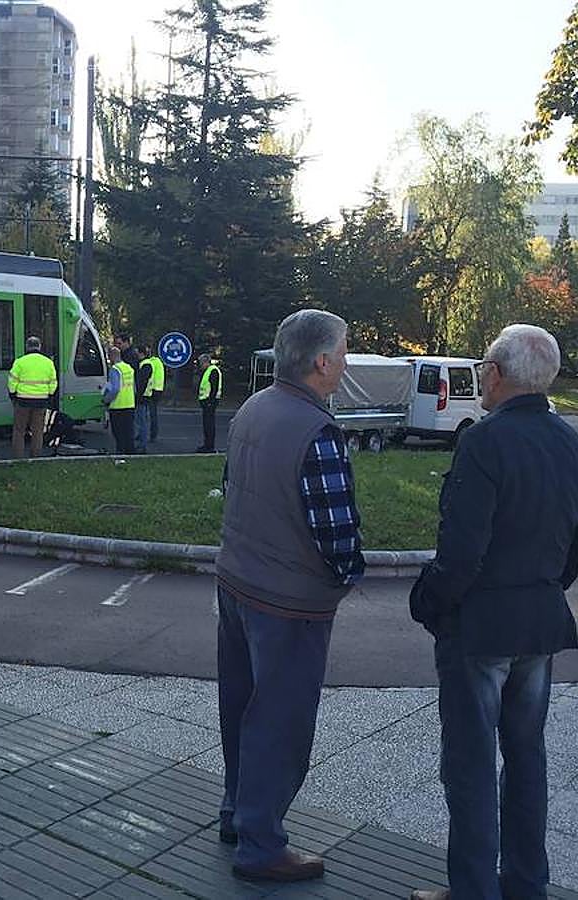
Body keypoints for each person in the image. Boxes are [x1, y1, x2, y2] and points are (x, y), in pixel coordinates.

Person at [407, 325, 578, 900]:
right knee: (526, 760)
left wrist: (429, 602)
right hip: (540, 623)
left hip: (481, 628)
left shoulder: (485, 441)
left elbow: (461, 551)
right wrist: (549, 581)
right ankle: (524, 885)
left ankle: (472, 889)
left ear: (496, 372)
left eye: (482, 366)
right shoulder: (570, 441)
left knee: (469, 765)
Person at [215, 310, 364, 883]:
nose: (346, 362)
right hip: (289, 602)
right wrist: (347, 576)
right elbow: (337, 531)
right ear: (322, 361)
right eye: (344, 352)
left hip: (237, 583)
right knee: (280, 722)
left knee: (241, 707)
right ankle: (261, 847)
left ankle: (236, 814)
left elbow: (234, 487)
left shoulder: (253, 408)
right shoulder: (316, 429)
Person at [8, 336, 58, 458]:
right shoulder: (48, 363)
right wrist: (49, 395)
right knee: (37, 431)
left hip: (22, 400)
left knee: (19, 431)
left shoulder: (20, 362)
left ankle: (18, 457)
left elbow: (12, 381)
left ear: (27, 346)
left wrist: (13, 395)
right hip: (41, 401)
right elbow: (53, 383)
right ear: (39, 347)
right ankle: (35, 457)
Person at [102, 345, 135, 454]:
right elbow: (134, 387)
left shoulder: (115, 369)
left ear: (111, 357)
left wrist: (106, 400)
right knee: (129, 433)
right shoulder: (129, 368)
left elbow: (115, 389)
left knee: (118, 434)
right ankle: (131, 455)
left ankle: (120, 454)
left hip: (117, 406)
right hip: (130, 405)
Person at [196, 353, 222, 452]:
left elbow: (214, 388)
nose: (200, 366)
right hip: (206, 401)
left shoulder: (213, 371)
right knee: (206, 425)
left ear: (206, 362)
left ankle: (209, 446)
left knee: (209, 425)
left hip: (210, 402)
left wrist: (210, 402)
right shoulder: (208, 371)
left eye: (201, 363)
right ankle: (207, 444)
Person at [133, 343, 154, 453]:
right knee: (142, 420)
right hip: (145, 395)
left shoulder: (145, 365)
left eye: (137, 353)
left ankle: (142, 446)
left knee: (142, 421)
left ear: (141, 353)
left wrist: (138, 396)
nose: (136, 355)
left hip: (143, 396)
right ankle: (141, 442)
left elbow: (142, 383)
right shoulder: (145, 364)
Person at [141, 346, 165, 441]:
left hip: (151, 391)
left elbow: (149, 378)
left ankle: (150, 434)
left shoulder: (150, 363)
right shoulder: (159, 362)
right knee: (153, 414)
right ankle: (153, 434)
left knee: (148, 414)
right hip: (159, 389)